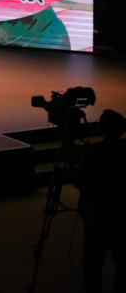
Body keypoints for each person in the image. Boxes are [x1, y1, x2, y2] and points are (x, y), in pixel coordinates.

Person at [75, 109, 126, 293]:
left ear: (101, 130)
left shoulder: (91, 153)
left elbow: (78, 182)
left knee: (92, 263)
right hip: (123, 215)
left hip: (97, 217)